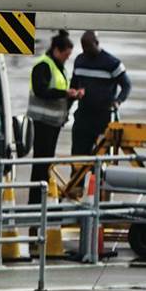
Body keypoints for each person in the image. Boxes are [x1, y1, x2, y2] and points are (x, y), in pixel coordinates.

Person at [27, 30, 84, 206]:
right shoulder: (43, 65)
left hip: (53, 124)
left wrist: (73, 96)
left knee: (46, 163)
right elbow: (41, 90)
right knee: (40, 163)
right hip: (42, 122)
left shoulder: (58, 67)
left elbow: (60, 94)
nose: (67, 58)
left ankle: (43, 198)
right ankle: (35, 201)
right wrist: (65, 93)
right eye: (66, 54)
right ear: (56, 50)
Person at [70, 30, 132, 155]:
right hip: (83, 116)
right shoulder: (79, 61)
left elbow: (126, 85)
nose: (85, 50)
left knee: (102, 156)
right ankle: (77, 174)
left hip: (103, 118)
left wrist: (118, 101)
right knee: (78, 155)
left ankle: (98, 175)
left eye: (88, 46)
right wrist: (75, 93)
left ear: (97, 43)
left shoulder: (112, 63)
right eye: (83, 47)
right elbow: (74, 85)